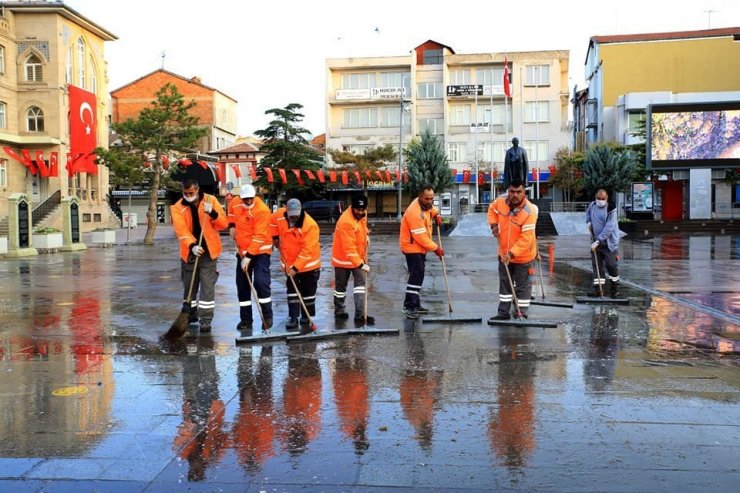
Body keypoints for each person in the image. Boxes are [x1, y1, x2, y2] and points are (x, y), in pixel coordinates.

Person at [171, 178, 228, 332]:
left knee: (207, 286)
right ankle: (191, 314)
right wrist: (192, 246)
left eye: (191, 192)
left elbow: (224, 224)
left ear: (197, 189)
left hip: (209, 251)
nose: (188, 195)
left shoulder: (211, 200)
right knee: (189, 285)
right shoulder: (177, 208)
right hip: (189, 252)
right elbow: (181, 230)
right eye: (185, 193)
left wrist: (213, 213)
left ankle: (206, 320)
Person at [487, 179, 538, 321]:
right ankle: (503, 312)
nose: (515, 195)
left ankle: (521, 313)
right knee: (505, 284)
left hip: (523, 256)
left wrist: (512, 253)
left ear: (524, 192)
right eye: (512, 192)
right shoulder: (500, 201)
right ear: (508, 191)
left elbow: (526, 238)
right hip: (503, 253)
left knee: (523, 285)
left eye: (518, 192)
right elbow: (492, 210)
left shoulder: (529, 211)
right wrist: (493, 225)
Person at [271, 198, 321, 333]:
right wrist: (275, 237)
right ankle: (293, 318)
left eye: (296, 215)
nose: (293, 217)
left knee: (308, 293)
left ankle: (306, 316)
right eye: (291, 215)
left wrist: (295, 268)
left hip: (309, 265)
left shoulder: (310, 225)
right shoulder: (280, 215)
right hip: (289, 262)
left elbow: (307, 250)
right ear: (286, 211)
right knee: (292, 292)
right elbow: (272, 223)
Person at [228, 184, 273, 335]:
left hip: (261, 251)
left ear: (255, 196)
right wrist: (232, 226)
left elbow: (260, 236)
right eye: (245, 199)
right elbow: (231, 213)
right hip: (242, 251)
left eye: (250, 199)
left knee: (260, 282)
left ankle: (267, 316)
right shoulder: (235, 203)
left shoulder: (262, 210)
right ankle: (246, 319)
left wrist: (248, 257)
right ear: (241, 198)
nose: (248, 202)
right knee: (242, 285)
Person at [399, 185, 444, 319]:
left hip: (419, 248)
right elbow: (421, 237)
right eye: (427, 199)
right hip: (412, 247)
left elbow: (431, 209)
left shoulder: (424, 205)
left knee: (419, 275)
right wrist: (436, 248)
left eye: (432, 198)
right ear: (420, 197)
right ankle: (409, 306)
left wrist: (437, 214)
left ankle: (416, 303)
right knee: (416, 275)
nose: (430, 201)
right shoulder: (414, 213)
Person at [331, 193, 374, 325]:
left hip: (358, 256)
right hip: (343, 259)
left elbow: (362, 226)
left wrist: (366, 234)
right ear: (352, 207)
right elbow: (348, 248)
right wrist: (361, 265)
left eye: (363, 210)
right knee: (340, 288)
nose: (360, 212)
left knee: (360, 287)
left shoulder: (362, 214)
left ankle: (360, 315)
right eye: (358, 210)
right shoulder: (345, 221)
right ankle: (339, 310)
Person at [586, 188, 621, 298]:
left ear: (607, 198)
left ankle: (614, 288)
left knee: (611, 265)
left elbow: (609, 228)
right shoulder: (592, 206)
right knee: (597, 266)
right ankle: (598, 289)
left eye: (603, 199)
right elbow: (588, 215)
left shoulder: (611, 209)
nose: (600, 200)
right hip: (596, 243)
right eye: (598, 198)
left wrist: (598, 240)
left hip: (609, 244)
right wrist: (588, 223)